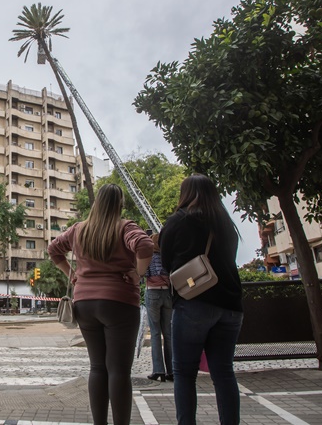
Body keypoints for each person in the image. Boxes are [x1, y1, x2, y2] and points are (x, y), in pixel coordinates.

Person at [48, 184, 153, 425]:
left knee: (97, 367)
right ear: (120, 204)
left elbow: (54, 250)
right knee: (118, 370)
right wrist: (137, 274)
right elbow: (145, 245)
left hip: (84, 304)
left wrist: (72, 275)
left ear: (96, 203)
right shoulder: (125, 227)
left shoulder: (79, 230)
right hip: (119, 303)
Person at [159, 173, 243, 425]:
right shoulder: (226, 224)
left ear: (185, 194)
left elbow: (165, 262)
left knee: (184, 374)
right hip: (231, 307)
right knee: (224, 372)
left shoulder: (178, 221)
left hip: (193, 302)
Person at [144, 232, 173, 382]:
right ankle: (172, 370)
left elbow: (144, 273)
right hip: (167, 294)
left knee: (155, 333)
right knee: (168, 333)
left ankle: (158, 370)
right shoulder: (167, 257)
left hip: (153, 293)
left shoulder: (148, 257)